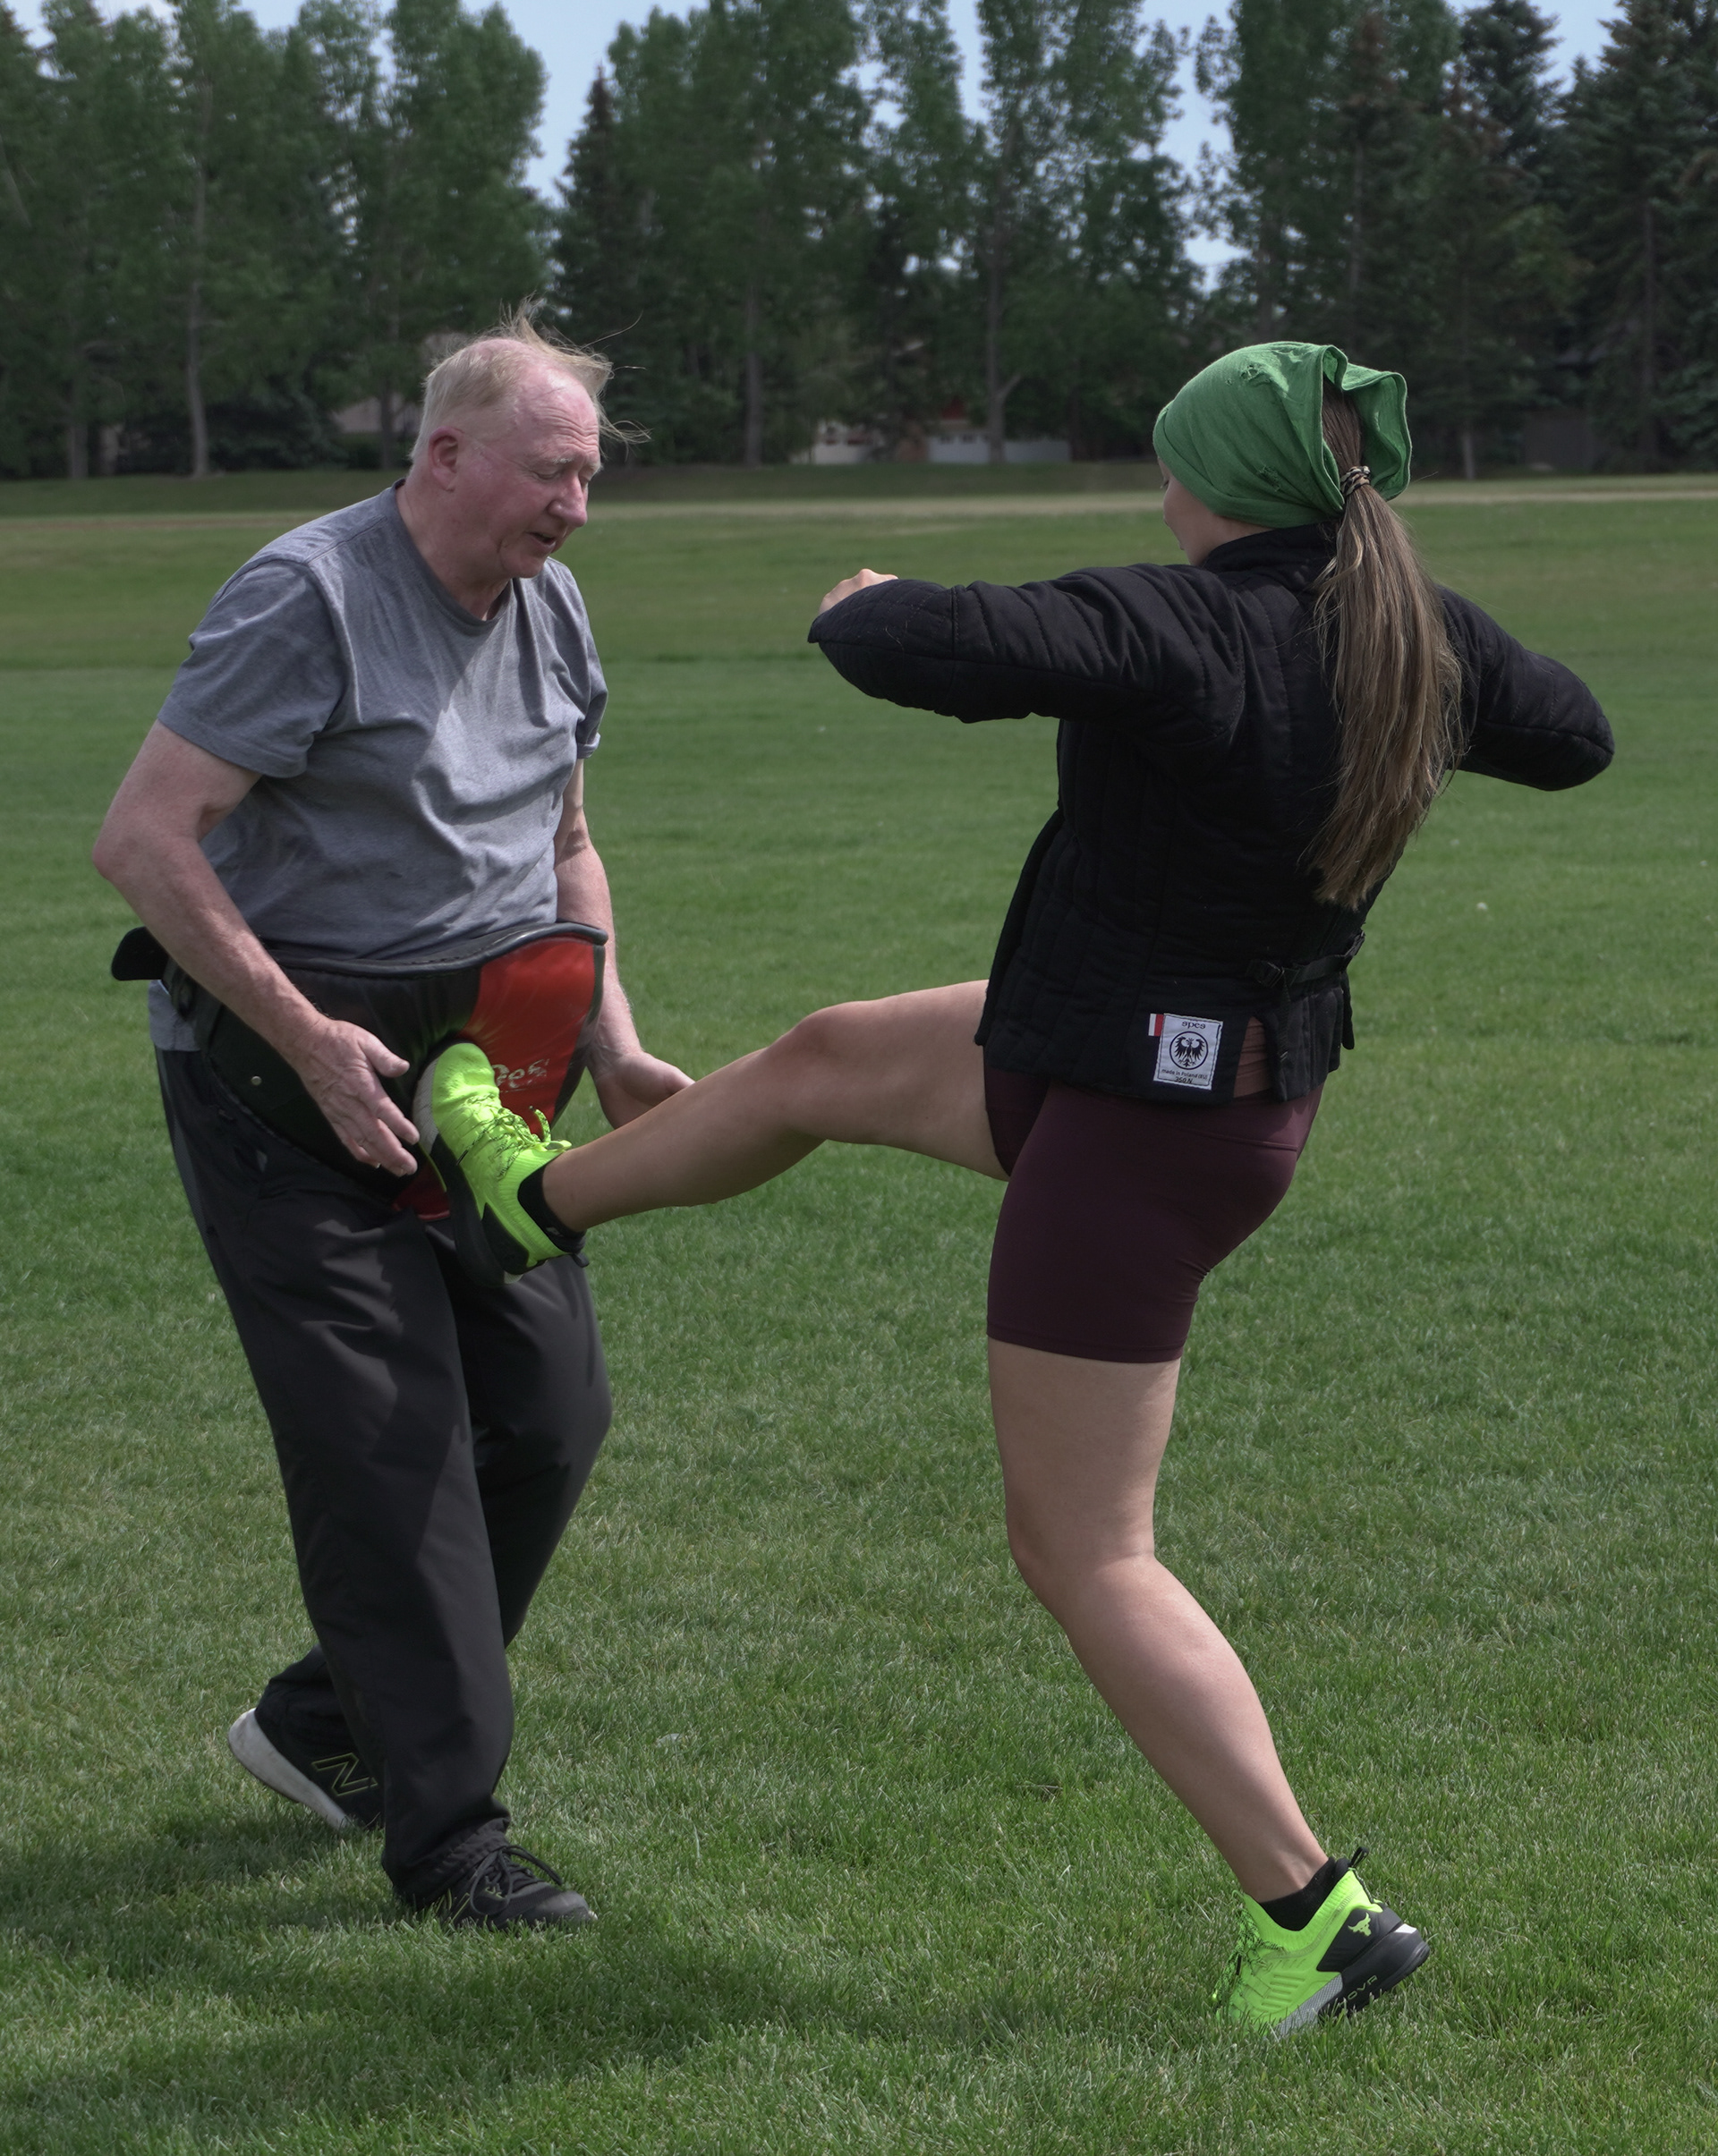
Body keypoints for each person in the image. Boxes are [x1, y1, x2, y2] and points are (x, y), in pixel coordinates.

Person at [421, 344, 1609, 2024]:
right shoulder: (1396, 626)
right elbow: (1578, 736)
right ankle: (535, 1203)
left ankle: (1315, 1916)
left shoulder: (1188, 620)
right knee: (829, 1056)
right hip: (1143, 1066)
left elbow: (906, 644)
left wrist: (864, 594)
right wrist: (1407, 659)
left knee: (1085, 1548)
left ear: (1211, 477)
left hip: (1141, 1129)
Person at [92, 314, 691, 1929]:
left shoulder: (548, 602)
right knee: (394, 1453)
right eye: (550, 472)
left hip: (487, 1072)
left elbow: (567, 837)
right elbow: (145, 838)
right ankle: (449, 1841)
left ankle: (316, 1723)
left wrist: (619, 1042)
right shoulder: (312, 596)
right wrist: (301, 1037)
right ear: (445, 456)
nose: (576, 505)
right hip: (288, 1077)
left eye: (588, 477)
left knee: (552, 1412)